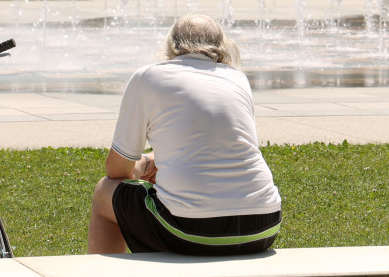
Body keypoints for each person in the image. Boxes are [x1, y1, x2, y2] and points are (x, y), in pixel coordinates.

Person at [87, 14, 283, 255]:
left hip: (191, 229)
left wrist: (146, 164)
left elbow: (117, 171)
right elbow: (219, 145)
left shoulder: (148, 76)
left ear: (171, 46)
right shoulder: (237, 78)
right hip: (264, 225)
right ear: (222, 46)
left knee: (105, 191)